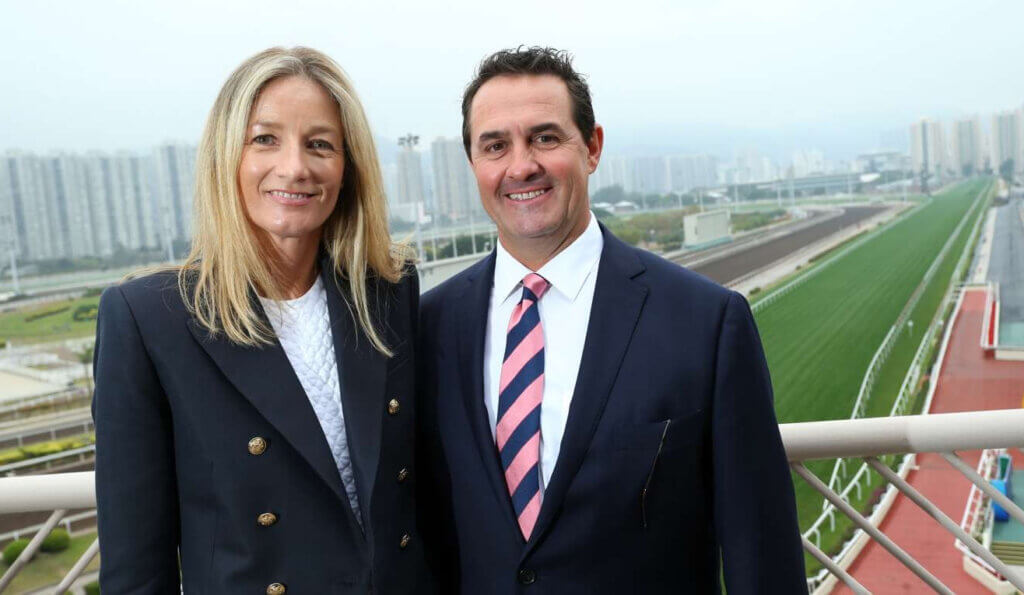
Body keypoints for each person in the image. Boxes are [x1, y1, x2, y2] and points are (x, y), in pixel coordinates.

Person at [417, 46, 806, 593]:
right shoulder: (427, 328)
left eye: (545, 138)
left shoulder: (707, 323)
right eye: (495, 146)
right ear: (474, 165)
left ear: (592, 147)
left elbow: (762, 554)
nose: (521, 165)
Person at [92, 47, 433, 594]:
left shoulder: (387, 293)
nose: (295, 167)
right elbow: (137, 568)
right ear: (227, 158)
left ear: (348, 169)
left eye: (319, 144)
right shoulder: (149, 320)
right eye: (265, 139)